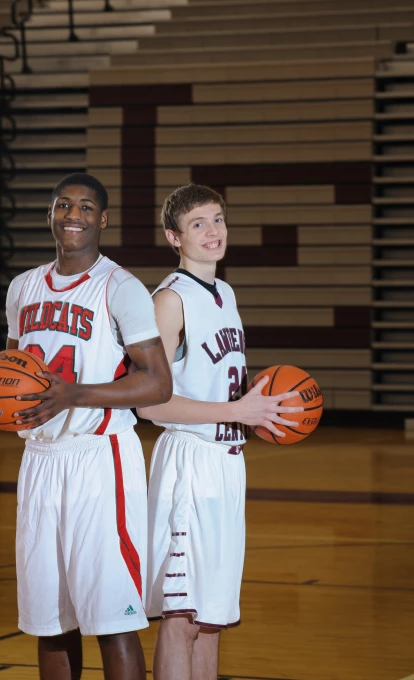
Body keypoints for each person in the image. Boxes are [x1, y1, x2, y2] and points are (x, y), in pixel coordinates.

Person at [0, 173, 172, 680]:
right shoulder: (23, 286)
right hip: (40, 461)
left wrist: (74, 395)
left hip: (99, 457)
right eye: (64, 205)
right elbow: (17, 368)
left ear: (102, 220)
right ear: (50, 215)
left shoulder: (120, 287)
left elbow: (158, 384)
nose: (73, 216)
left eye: (86, 207)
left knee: (111, 619)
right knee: (50, 619)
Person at [137, 184, 302, 680]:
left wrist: (260, 406)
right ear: (174, 237)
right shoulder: (169, 300)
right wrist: (237, 411)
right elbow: (149, 403)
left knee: (211, 620)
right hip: (189, 462)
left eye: (218, 219)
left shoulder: (225, 293)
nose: (213, 232)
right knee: (182, 617)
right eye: (198, 224)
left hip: (229, 464)